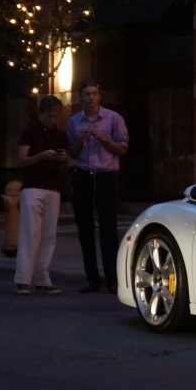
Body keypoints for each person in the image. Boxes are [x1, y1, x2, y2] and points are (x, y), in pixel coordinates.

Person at [66, 78, 129, 294]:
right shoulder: (74, 121)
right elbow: (71, 154)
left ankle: (112, 278)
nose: (91, 97)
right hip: (83, 176)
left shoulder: (113, 118)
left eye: (94, 93)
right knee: (85, 229)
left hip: (105, 177)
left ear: (99, 96)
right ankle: (91, 277)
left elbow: (122, 149)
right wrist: (80, 143)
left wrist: (104, 140)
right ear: (80, 98)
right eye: (86, 94)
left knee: (108, 229)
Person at [13, 95, 69, 296]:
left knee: (48, 235)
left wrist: (63, 158)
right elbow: (22, 160)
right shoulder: (30, 132)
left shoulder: (60, 135)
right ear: (40, 114)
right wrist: (43, 155)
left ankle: (42, 278)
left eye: (55, 117)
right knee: (30, 232)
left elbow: (68, 160)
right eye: (48, 116)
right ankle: (22, 279)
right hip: (33, 186)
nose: (52, 121)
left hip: (53, 187)